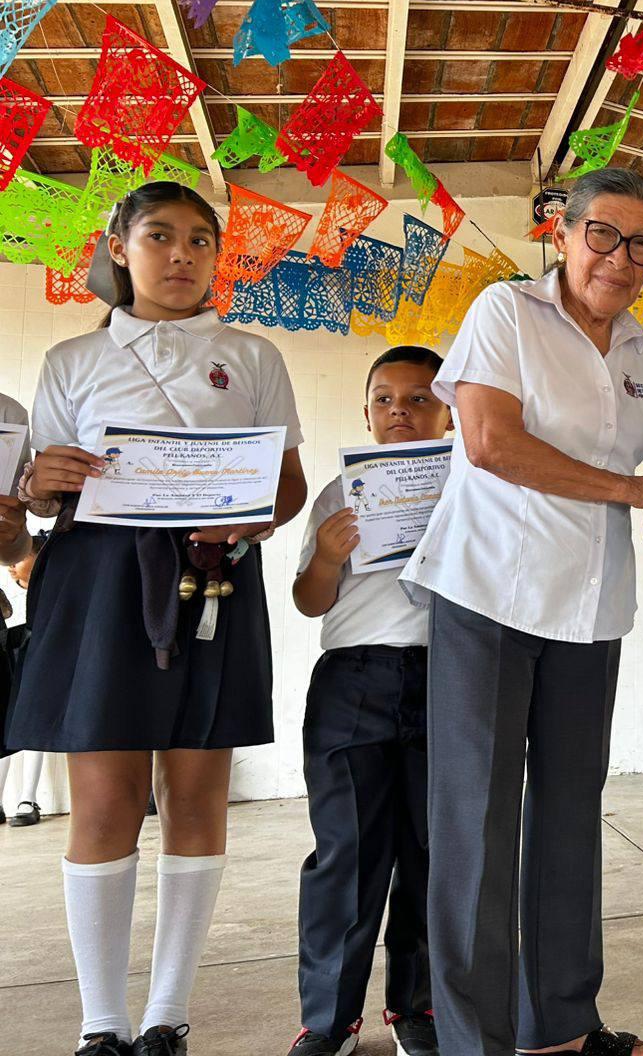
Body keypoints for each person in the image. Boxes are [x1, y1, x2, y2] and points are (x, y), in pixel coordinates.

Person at [8, 182, 308, 1056]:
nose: (181, 254)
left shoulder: (251, 357)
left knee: (196, 792)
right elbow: (38, 488)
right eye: (160, 236)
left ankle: (166, 1016)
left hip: (213, 576)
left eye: (201, 241)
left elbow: (285, 485)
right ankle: (101, 1023)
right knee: (104, 800)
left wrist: (251, 516)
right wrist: (39, 480)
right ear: (118, 248)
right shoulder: (71, 360)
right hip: (98, 581)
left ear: (218, 257)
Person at [401, 168, 643, 1056]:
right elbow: (489, 441)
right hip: (488, 593)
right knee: (476, 825)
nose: (621, 257)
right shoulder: (506, 314)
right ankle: (475, 1042)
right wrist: (631, 489)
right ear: (559, 235)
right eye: (603, 234)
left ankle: (560, 1026)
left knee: (569, 818)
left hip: (590, 608)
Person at [288, 347, 452, 1056]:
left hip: (452, 677)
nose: (400, 412)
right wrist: (327, 556)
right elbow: (307, 600)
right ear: (365, 413)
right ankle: (327, 1022)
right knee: (347, 855)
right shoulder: (337, 492)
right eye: (384, 400)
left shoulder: (478, 486)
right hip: (353, 681)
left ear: (451, 409)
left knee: (432, 852)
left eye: (420, 399)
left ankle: (416, 1007)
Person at [2, 532, 47, 826]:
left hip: (38, 653)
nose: (10, 565)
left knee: (35, 723)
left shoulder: (51, 588)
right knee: (6, 725)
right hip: (11, 650)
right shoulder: (9, 587)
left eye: (20, 558)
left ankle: (27, 798)